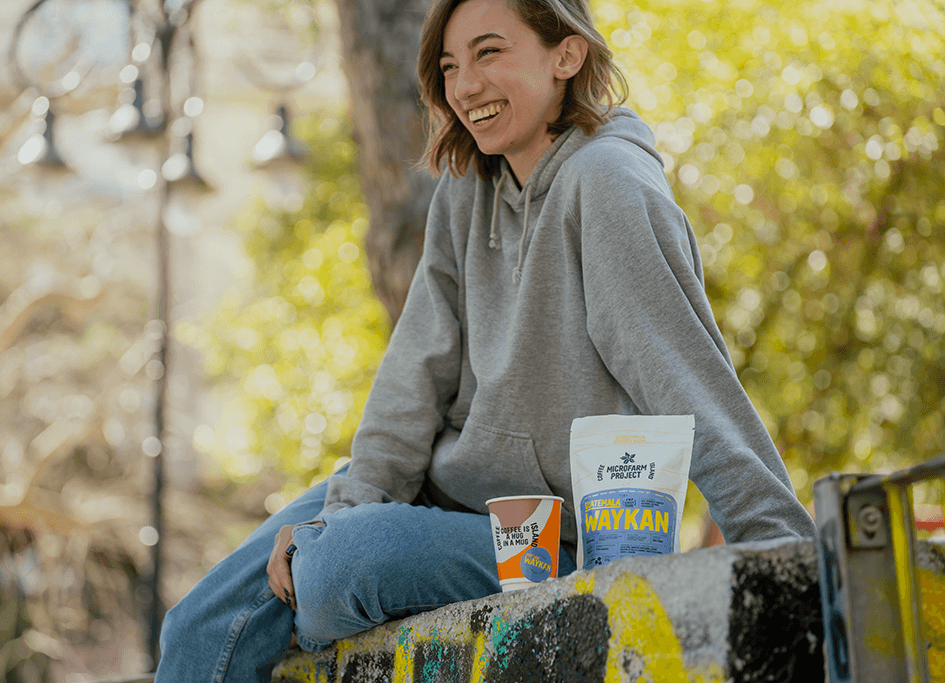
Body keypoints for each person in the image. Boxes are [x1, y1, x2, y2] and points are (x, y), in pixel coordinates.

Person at [155, 0, 816, 679]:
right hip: (435, 498)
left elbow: (687, 380)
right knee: (198, 626)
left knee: (330, 571)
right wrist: (347, 510)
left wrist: (789, 557)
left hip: (547, 537)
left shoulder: (608, 183)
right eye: (448, 66)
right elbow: (414, 374)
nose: (464, 86)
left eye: (489, 52)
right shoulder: (464, 189)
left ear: (567, 54)